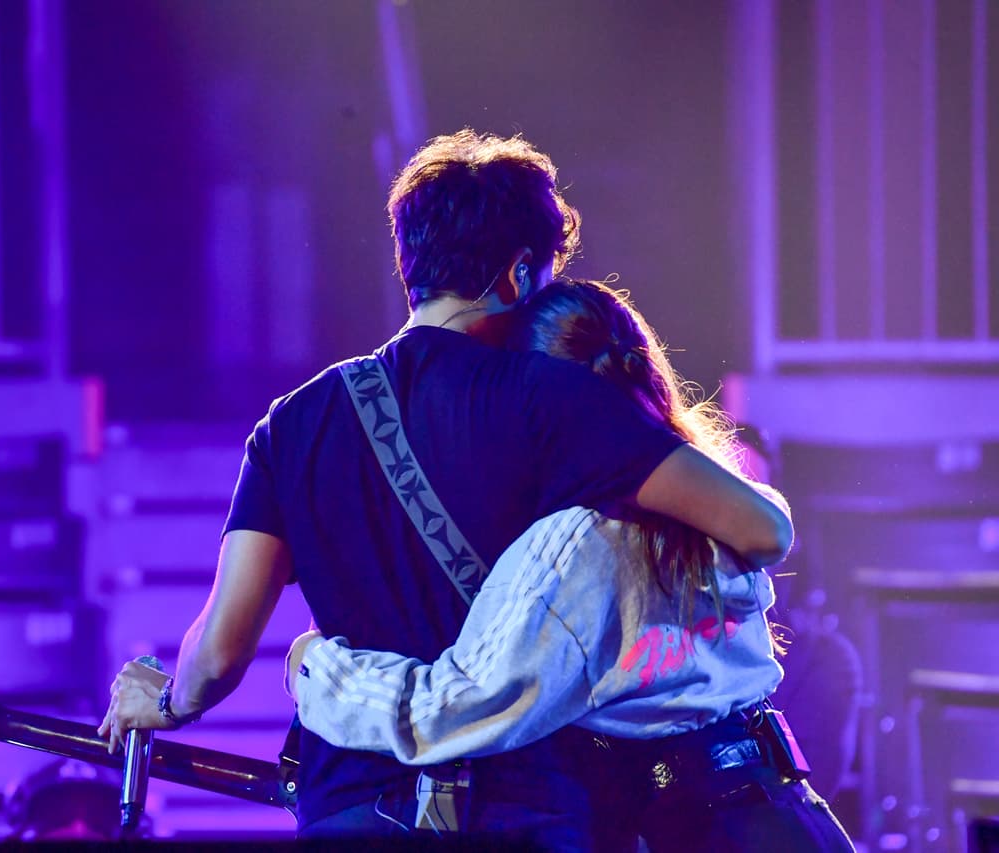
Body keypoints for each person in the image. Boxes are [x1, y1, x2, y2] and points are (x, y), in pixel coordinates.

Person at [98, 130, 793, 844]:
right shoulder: (553, 398)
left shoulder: (292, 423)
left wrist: (171, 701)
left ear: (411, 262)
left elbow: (218, 653)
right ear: (520, 274)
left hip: (351, 809)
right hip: (528, 810)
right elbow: (759, 530)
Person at [287, 280, 854, 851]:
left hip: (702, 830)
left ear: (541, 398)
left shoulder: (578, 545)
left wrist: (317, 668)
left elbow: (447, 713)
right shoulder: (714, 510)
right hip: (788, 816)